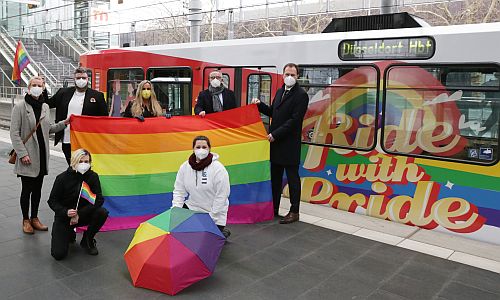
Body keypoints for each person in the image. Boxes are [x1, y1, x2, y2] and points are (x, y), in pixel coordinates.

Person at [251, 63, 309, 224]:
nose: (289, 77)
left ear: (298, 77)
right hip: (276, 144)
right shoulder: (280, 91)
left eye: (293, 75)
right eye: (287, 74)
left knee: (292, 179)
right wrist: (259, 105)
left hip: (289, 145)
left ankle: (294, 211)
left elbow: (294, 121)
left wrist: (275, 134)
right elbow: (273, 113)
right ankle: (274, 207)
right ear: (282, 75)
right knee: (275, 179)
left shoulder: (301, 95)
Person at [10, 76, 68, 234]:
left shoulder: (44, 107)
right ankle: (25, 220)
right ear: (28, 87)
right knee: (26, 190)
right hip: (28, 156)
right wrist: (22, 154)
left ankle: (35, 218)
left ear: (43, 88)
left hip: (42, 156)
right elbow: (14, 133)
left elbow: (47, 129)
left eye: (39, 85)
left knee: (37, 190)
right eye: (33, 85)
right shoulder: (20, 107)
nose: (36, 87)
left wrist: (64, 123)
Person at [48, 149, 109, 260]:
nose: (84, 164)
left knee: (102, 212)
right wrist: (66, 212)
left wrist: (79, 214)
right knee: (58, 254)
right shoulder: (62, 178)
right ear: (74, 162)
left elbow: (99, 199)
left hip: (83, 215)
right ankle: (68, 232)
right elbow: (52, 201)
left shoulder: (93, 176)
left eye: (87, 161)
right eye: (81, 161)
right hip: (64, 217)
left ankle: (87, 240)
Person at [171, 136, 231, 238]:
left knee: (202, 240)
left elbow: (222, 196)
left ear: (209, 149)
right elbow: (179, 191)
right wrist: (176, 211)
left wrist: (212, 218)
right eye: (198, 147)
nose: (201, 150)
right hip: (192, 207)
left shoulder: (218, 169)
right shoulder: (185, 167)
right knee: (178, 233)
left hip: (213, 212)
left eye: (204, 147)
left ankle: (220, 232)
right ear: (193, 149)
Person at [45, 67, 108, 164]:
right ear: (74, 79)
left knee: (85, 166)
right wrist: (43, 88)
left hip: (87, 140)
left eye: (83, 77)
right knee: (72, 166)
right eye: (78, 78)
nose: (81, 80)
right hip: (67, 139)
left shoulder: (97, 96)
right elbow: (48, 103)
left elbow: (104, 119)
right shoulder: (63, 93)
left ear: (88, 79)